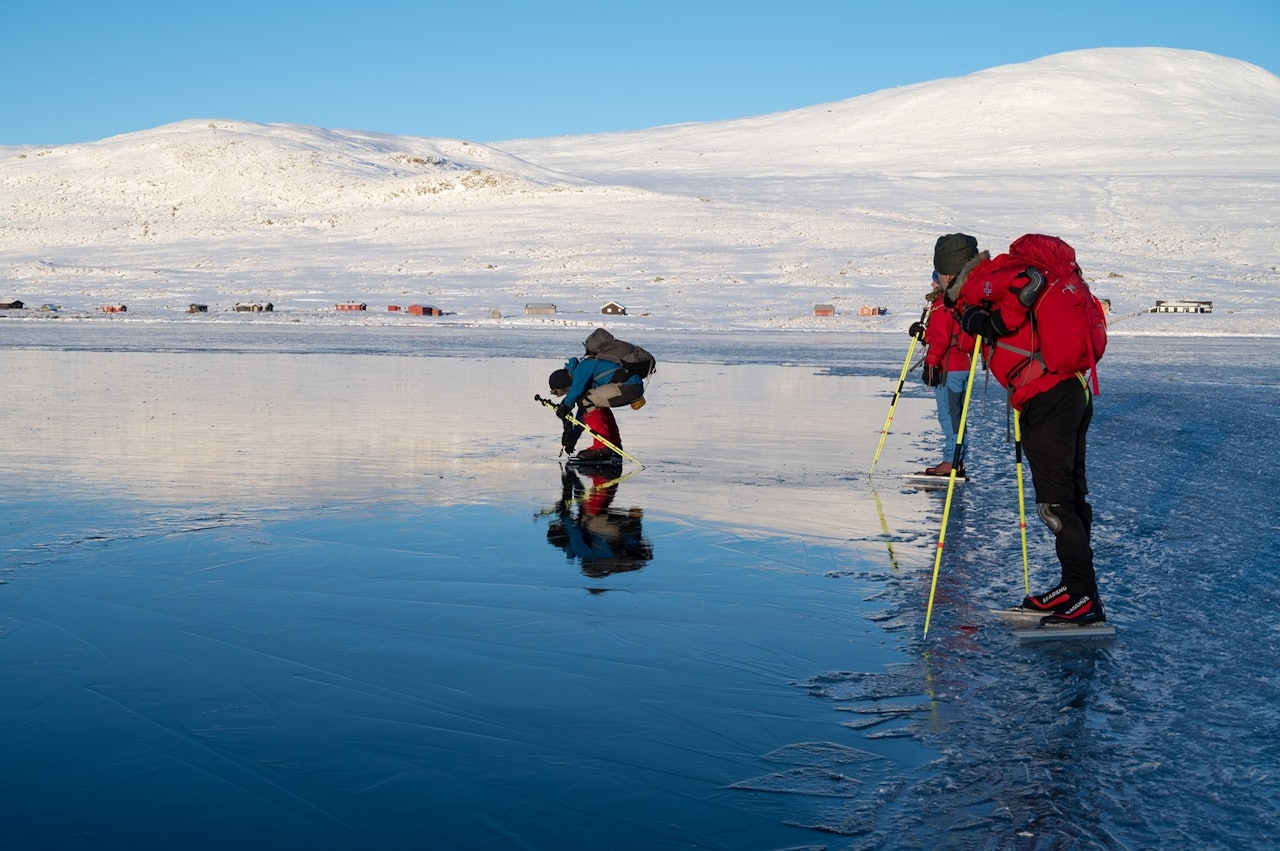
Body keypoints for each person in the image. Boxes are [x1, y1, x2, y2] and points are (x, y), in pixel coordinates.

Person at [938, 232, 1104, 626]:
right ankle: (1076, 588)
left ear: (948, 271)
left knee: (1056, 503)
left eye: (938, 272)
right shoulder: (983, 282)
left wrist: (993, 321)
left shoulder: (983, 280)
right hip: (1069, 391)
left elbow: (1027, 283)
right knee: (1070, 496)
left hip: (1048, 398)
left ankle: (1082, 597)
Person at [548, 330, 645, 464]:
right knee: (595, 403)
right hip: (632, 387)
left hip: (628, 386)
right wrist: (573, 439)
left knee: (586, 400)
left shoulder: (584, 366)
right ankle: (614, 445)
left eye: (563, 392)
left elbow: (576, 392)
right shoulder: (587, 369)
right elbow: (584, 414)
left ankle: (602, 447)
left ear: (564, 383)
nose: (566, 394)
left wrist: (564, 406)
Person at [916, 268, 976, 477]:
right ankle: (957, 460)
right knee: (957, 415)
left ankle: (952, 461)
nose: (932, 285)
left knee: (949, 415)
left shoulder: (944, 306)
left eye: (934, 281)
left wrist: (931, 364)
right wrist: (924, 335)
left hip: (949, 367)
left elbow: (941, 339)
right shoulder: (960, 302)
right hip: (963, 365)